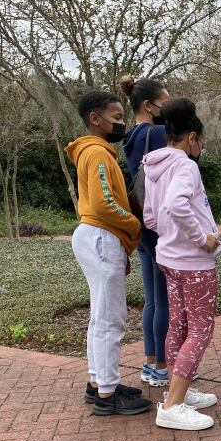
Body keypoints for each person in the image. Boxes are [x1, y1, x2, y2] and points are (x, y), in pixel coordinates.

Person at [66, 90, 149, 416]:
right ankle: (107, 393)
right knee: (111, 320)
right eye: (116, 118)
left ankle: (99, 382)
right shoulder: (98, 153)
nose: (122, 123)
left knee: (101, 316)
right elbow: (104, 203)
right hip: (101, 235)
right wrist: (133, 225)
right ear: (94, 119)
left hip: (96, 236)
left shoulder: (94, 151)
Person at [142, 98, 220, 431]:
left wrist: (172, 236)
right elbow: (176, 205)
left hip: (168, 259)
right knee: (201, 329)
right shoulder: (185, 166)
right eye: (201, 141)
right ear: (191, 138)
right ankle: (173, 404)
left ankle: (178, 394)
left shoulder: (154, 166)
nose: (201, 147)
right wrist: (203, 239)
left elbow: (151, 215)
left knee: (179, 325)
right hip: (193, 261)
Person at [120, 75, 171, 389]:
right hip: (159, 221)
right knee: (163, 298)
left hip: (140, 220)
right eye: (165, 102)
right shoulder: (158, 132)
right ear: (150, 106)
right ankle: (164, 365)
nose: (169, 107)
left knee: (153, 297)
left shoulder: (132, 135)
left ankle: (151, 361)